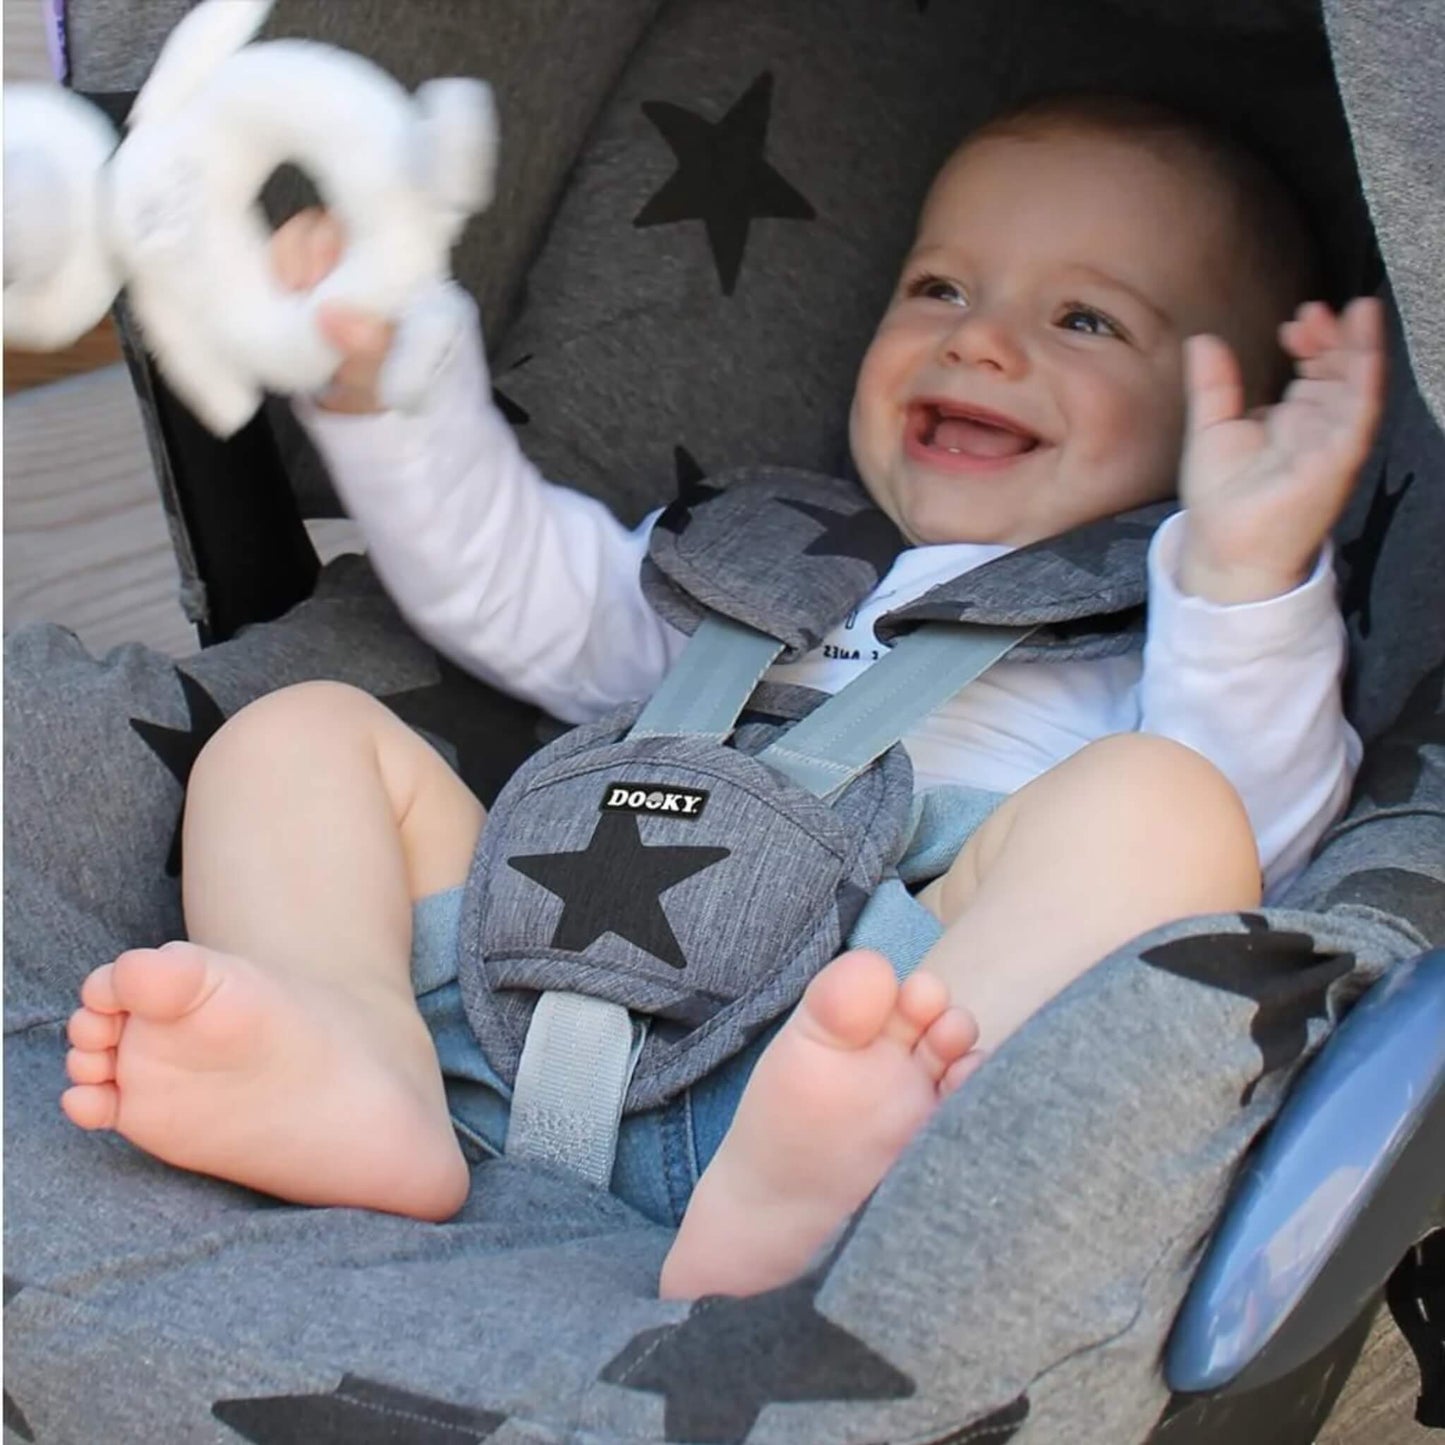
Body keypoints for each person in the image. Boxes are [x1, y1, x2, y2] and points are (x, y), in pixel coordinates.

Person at [60, 93, 1382, 1300]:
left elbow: (1251, 846)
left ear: (1226, 421)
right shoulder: (754, 557)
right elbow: (518, 585)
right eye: (937, 287)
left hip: (829, 1067)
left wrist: (1244, 569)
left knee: (1167, 811)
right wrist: (389, 385)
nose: (977, 339)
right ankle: (353, 1055)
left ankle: (839, 1178)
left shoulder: (1164, 643)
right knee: (295, 737)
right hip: (496, 1008)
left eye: (1082, 319)